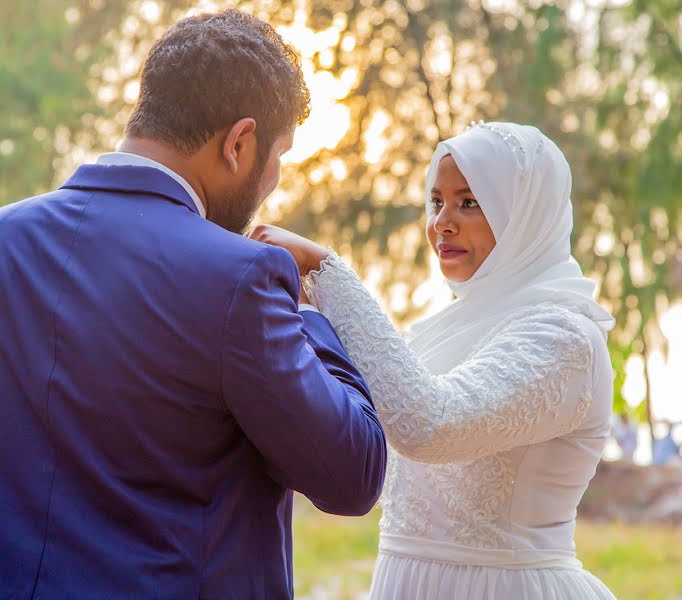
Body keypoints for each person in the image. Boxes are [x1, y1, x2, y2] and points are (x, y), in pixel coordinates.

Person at [0, 11, 386, 599]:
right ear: (239, 143)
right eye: (280, 155)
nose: (275, 178)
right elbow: (351, 474)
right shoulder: (245, 279)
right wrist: (311, 300)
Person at [252, 122, 617, 599]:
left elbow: (428, 425)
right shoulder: (442, 332)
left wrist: (327, 272)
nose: (443, 221)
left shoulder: (565, 337)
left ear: (526, 215)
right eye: (436, 201)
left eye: (470, 202)